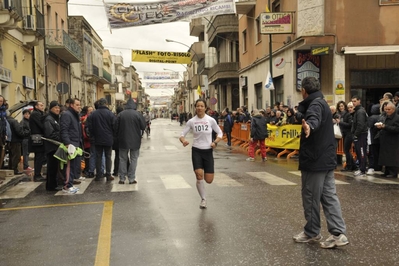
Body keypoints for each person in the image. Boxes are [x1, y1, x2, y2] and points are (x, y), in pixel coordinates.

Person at [293, 77, 349, 249]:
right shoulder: (321, 102)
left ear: (304, 90)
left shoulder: (315, 105)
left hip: (315, 160)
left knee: (310, 197)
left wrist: (309, 125)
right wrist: (300, 116)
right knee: (329, 197)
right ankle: (338, 234)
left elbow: (313, 119)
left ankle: (312, 232)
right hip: (326, 159)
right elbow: (312, 116)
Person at [179, 99, 223, 209]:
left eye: (201, 106)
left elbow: (220, 132)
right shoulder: (191, 121)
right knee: (199, 175)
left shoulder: (211, 120)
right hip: (196, 150)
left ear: (205, 108)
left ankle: (204, 189)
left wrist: (215, 142)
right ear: (195, 107)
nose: (199, 108)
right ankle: (203, 199)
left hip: (208, 150)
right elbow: (182, 134)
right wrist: (183, 141)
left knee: (209, 180)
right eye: (197, 106)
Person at [114, 98, 146, 184]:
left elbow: (115, 128)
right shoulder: (138, 114)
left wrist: (117, 137)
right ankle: (131, 178)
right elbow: (143, 126)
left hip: (122, 140)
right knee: (134, 159)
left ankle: (122, 178)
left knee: (122, 159)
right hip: (135, 141)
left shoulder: (120, 114)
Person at [88, 98, 115, 181]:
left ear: (99, 104)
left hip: (97, 139)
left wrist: (92, 136)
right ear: (106, 104)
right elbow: (114, 126)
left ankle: (98, 175)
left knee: (98, 156)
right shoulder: (110, 114)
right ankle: (108, 174)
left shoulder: (93, 114)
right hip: (108, 139)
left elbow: (90, 127)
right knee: (108, 156)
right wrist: (112, 136)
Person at [60, 98, 83, 194]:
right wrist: (67, 143)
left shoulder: (74, 115)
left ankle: (70, 184)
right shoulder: (67, 115)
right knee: (69, 166)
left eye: (79, 105)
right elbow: (64, 130)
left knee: (73, 166)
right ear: (71, 105)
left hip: (75, 144)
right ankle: (67, 186)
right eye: (77, 105)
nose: (79, 107)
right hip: (70, 145)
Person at [375, 102, 399, 178]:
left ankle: (393, 172)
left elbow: (396, 129)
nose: (387, 111)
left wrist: (385, 126)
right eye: (386, 109)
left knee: (392, 157)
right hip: (385, 139)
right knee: (385, 157)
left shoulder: (397, 118)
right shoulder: (385, 116)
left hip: (393, 140)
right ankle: (387, 171)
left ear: (393, 109)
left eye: (389, 109)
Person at [44, 101, 62, 191]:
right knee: (51, 167)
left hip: (55, 146)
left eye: (58, 108)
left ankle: (53, 184)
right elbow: (50, 133)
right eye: (55, 108)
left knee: (54, 166)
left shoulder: (55, 118)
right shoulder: (49, 119)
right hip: (51, 146)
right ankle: (51, 186)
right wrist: (60, 137)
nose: (58, 109)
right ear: (51, 108)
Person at [29, 101, 46, 182]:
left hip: (38, 137)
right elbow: (41, 124)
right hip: (37, 137)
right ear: (36, 106)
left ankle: (38, 174)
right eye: (41, 105)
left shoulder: (39, 113)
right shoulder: (35, 114)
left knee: (39, 156)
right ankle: (37, 175)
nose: (42, 107)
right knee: (39, 156)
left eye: (43, 105)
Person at [351, 95, 368, 177]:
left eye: (355, 101)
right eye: (352, 101)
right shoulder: (357, 111)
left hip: (361, 135)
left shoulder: (360, 111)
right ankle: (361, 168)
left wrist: (356, 135)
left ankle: (362, 170)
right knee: (359, 152)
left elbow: (360, 125)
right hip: (359, 134)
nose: (353, 103)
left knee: (361, 152)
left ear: (359, 101)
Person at [338, 102, 356, 172]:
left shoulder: (348, 115)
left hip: (349, 134)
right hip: (346, 134)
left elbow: (349, 125)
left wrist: (340, 122)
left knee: (346, 150)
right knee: (346, 150)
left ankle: (350, 165)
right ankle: (352, 165)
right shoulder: (344, 114)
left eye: (351, 107)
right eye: (349, 108)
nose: (349, 109)